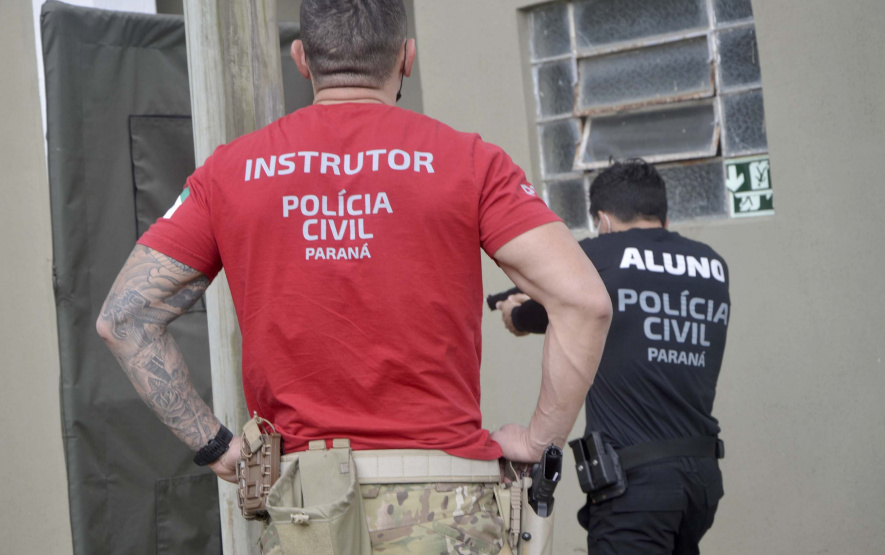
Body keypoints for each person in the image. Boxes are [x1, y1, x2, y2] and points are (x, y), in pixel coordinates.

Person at [96, 1, 612, 553]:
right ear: (406, 58)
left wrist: (216, 446)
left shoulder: (229, 171)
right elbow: (585, 303)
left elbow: (124, 318)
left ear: (301, 59)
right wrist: (541, 440)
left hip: (303, 511)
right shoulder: (470, 162)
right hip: (445, 505)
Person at [495, 159, 730, 555]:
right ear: (662, 214)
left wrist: (514, 312)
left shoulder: (601, 254)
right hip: (701, 481)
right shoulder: (712, 264)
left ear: (602, 219)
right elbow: (635, 309)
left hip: (635, 485)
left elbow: (555, 310)